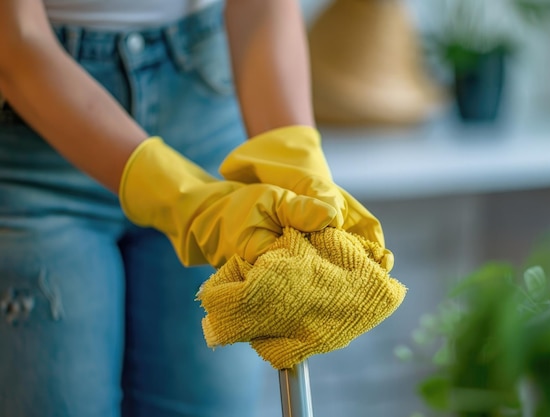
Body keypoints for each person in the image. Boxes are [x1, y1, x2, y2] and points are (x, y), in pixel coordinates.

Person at [0, 1, 388, 416]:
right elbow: (15, 38)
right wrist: (184, 199)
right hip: (37, 129)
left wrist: (294, 159)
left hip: (205, 106)